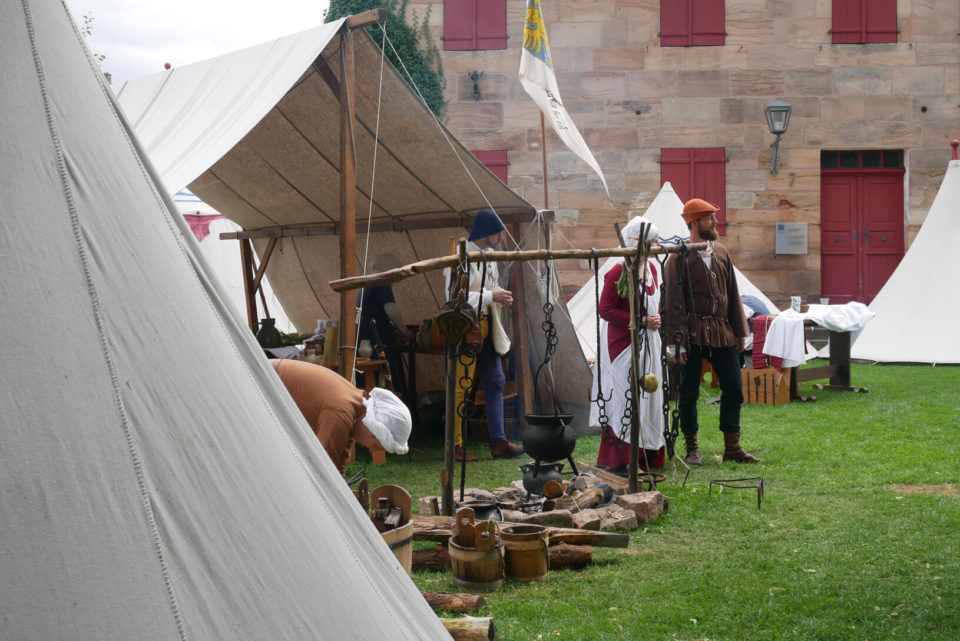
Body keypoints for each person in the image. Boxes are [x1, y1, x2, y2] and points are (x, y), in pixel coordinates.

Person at [663, 198, 759, 464]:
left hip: (721, 331)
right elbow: (673, 301)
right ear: (693, 223)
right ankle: (692, 448)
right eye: (709, 219)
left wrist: (740, 332)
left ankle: (732, 448)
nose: (716, 222)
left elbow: (733, 293)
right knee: (689, 391)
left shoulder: (721, 251)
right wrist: (677, 342)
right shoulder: (678, 257)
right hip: (692, 334)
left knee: (734, 388)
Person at [443, 209, 525, 460]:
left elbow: (489, 287)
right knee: (460, 387)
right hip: (466, 329)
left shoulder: (487, 257)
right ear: (487, 233)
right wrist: (492, 296)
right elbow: (454, 298)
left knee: (496, 380)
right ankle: (454, 445)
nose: (501, 237)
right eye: (498, 233)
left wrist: (498, 293)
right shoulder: (460, 257)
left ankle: (498, 442)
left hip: (489, 326)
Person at [590, 216, 666, 473]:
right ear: (640, 243)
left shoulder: (653, 270)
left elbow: (653, 303)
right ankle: (622, 459)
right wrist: (641, 320)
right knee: (626, 398)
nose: (658, 246)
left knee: (649, 397)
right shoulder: (618, 272)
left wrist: (654, 319)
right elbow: (606, 309)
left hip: (650, 344)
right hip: (623, 345)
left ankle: (647, 457)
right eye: (654, 242)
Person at [269, 358, 412, 476]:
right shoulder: (342, 413)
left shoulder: (354, 405)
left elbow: (338, 462)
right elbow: (323, 469)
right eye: (376, 445)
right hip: (257, 384)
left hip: (265, 387)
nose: (371, 450)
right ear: (373, 430)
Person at [356, 253, 416, 395]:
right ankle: (383, 401)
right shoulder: (381, 281)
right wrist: (405, 331)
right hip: (373, 334)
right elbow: (391, 310)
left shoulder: (369, 281)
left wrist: (395, 333)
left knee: (369, 373)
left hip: (365, 331)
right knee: (381, 371)